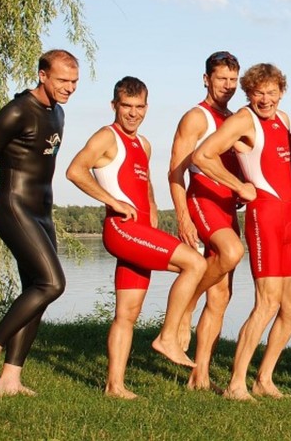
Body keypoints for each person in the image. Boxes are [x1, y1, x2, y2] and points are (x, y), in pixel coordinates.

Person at [66, 77, 207, 399]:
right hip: (121, 230)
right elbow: (75, 170)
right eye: (126, 106)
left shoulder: (143, 144)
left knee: (127, 314)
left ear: (146, 106)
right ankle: (168, 336)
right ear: (114, 106)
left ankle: (114, 386)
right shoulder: (107, 136)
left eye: (139, 107)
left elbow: (143, 184)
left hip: (141, 230)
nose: (133, 113)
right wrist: (112, 202)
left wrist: (154, 208)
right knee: (195, 264)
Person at [191, 63, 291, 401]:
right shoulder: (243, 120)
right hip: (266, 219)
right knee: (267, 302)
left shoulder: (284, 119)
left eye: (272, 92)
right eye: (259, 93)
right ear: (249, 93)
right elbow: (203, 155)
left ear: (281, 91)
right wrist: (239, 185)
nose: (266, 99)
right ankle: (236, 383)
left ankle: (264, 379)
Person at [0, 50, 79, 397]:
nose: (69, 88)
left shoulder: (57, 113)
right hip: (14, 206)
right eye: (62, 80)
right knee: (51, 283)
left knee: (37, 291)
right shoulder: (18, 110)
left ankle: (11, 377)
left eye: (74, 82)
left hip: (42, 211)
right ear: (43, 75)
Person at [168, 51, 244, 391]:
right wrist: (183, 216)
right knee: (231, 252)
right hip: (202, 201)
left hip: (227, 207)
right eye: (221, 79)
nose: (227, 86)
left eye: (233, 80)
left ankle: (199, 374)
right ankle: (185, 306)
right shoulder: (196, 118)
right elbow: (175, 171)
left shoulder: (235, 118)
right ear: (206, 79)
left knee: (222, 296)